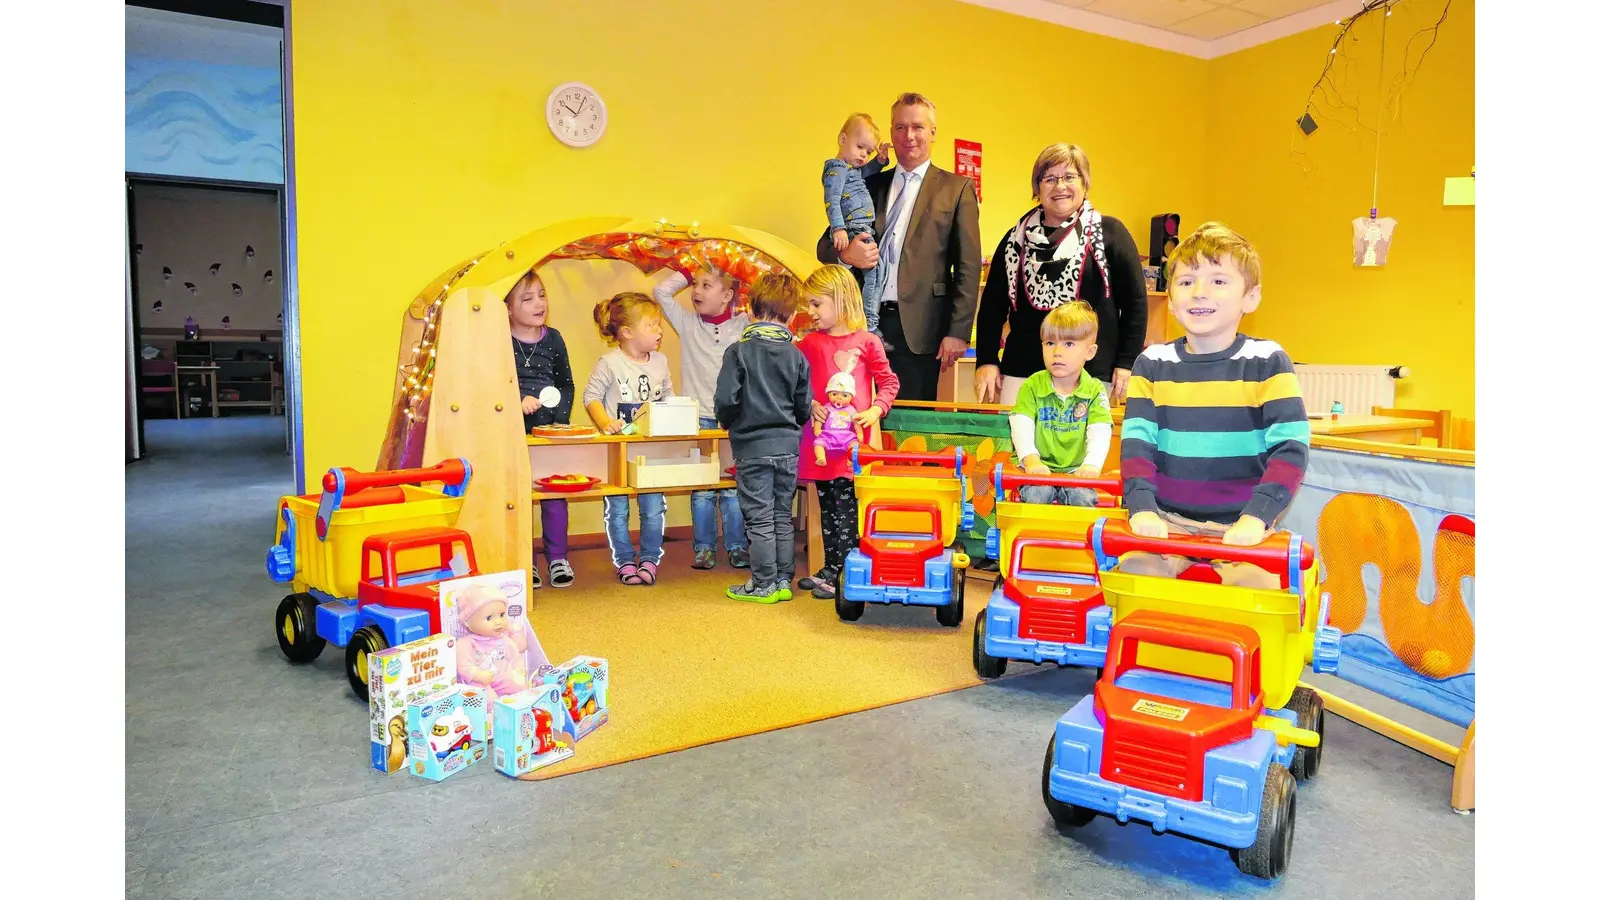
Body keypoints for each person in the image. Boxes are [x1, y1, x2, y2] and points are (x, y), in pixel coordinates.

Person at [1118, 222, 1311, 588]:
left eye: (1219, 281)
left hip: (1240, 523)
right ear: (1171, 301)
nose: (1200, 293)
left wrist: (1256, 518)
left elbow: (1290, 448)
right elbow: (1137, 445)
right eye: (1187, 282)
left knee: (1260, 592)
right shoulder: (1152, 363)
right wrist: (1142, 508)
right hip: (1167, 521)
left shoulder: (1266, 360)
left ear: (1250, 298)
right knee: (1134, 577)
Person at [821, 92, 981, 402]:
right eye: (900, 127)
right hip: (862, 324)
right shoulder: (867, 183)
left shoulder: (956, 189)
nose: (909, 136)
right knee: (855, 418)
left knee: (910, 429)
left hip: (921, 332)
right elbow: (823, 246)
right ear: (891, 133)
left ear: (933, 132)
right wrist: (846, 253)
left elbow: (968, 266)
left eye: (918, 127)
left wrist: (958, 331)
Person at [973, 143, 1147, 408]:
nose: (1060, 186)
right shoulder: (1015, 239)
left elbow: (1135, 303)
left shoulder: (1110, 233)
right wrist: (986, 360)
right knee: (1020, 448)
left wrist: (1126, 362)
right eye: (1050, 178)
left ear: (1084, 183)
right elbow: (992, 307)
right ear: (1037, 187)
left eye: (1069, 177)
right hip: (1022, 373)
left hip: (1091, 373)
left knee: (1085, 448)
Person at [795, 265, 900, 600]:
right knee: (827, 506)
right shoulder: (809, 343)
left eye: (816, 304)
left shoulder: (867, 342)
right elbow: (797, 385)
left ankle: (845, 571)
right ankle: (830, 566)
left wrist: (875, 409)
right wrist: (811, 402)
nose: (810, 312)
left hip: (855, 446)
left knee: (848, 508)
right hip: (822, 444)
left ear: (840, 301)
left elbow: (889, 382)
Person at [714, 272, 812, 603]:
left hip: (752, 447)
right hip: (787, 446)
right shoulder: (797, 355)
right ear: (791, 314)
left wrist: (726, 422)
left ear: (752, 310)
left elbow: (726, 399)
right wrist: (791, 426)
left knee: (759, 517)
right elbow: (803, 405)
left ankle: (763, 583)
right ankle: (784, 580)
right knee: (782, 514)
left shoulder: (738, 352)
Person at [653, 259, 750, 571]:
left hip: (735, 417)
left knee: (734, 485)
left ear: (727, 296)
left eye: (705, 285)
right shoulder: (687, 323)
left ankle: (736, 545)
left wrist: (738, 271)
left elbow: (762, 299)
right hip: (699, 418)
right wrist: (686, 267)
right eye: (695, 284)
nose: (696, 290)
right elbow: (661, 292)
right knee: (703, 488)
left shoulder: (744, 324)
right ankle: (704, 548)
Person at [583, 292, 672, 586]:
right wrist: (606, 423)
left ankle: (649, 558)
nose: (660, 331)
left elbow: (668, 400)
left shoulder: (660, 362)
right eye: (652, 325)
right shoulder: (609, 362)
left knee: (653, 507)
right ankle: (624, 560)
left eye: (659, 325)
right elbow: (591, 397)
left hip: (651, 451)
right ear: (627, 332)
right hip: (617, 450)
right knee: (618, 509)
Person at [505, 269, 576, 589]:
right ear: (508, 308)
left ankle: (558, 557)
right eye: (528, 298)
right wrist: (517, 401)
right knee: (517, 498)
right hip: (510, 430)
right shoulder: (498, 340)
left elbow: (566, 384)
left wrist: (559, 420)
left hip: (548, 430)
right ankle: (524, 560)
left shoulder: (554, 338)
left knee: (555, 494)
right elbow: (491, 385)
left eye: (542, 295)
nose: (539, 303)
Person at [1008, 302, 1112, 508]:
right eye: (1049, 343)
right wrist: (1031, 460)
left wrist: (1091, 465)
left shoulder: (1094, 389)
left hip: (1076, 471)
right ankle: (1034, 537)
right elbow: (1021, 426)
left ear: (1090, 352)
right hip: (1037, 468)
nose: (1057, 351)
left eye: (1069, 344)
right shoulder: (1032, 386)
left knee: (1082, 498)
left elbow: (1100, 431)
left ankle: (1078, 539)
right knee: (1038, 494)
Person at [822, 113, 893, 346]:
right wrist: (838, 229)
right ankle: (870, 324)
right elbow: (831, 200)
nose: (864, 155)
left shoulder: (852, 169)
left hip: (862, 228)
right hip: (852, 229)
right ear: (843, 139)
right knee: (873, 272)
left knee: (878, 271)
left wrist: (881, 160)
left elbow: (869, 171)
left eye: (868, 151)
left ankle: (870, 322)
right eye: (860, 147)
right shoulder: (836, 169)